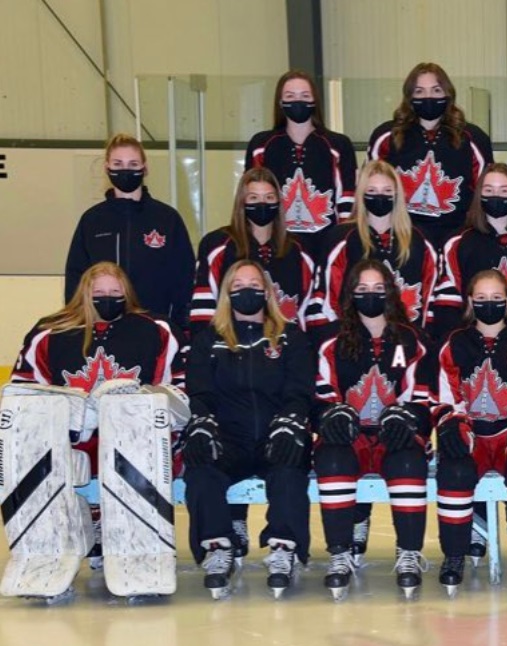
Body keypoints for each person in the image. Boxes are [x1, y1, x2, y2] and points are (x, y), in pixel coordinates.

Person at [11, 262, 181, 568]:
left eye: (115, 292)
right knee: (34, 452)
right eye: (98, 292)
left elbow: (175, 388)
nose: (107, 297)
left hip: (133, 434)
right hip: (74, 435)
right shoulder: (50, 332)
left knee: (137, 449)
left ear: (127, 293)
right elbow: (24, 390)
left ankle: (129, 532)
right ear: (83, 294)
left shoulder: (156, 329)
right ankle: (52, 544)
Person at [182, 259, 314, 599]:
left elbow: (300, 391)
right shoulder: (207, 340)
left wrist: (290, 423)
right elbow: (199, 392)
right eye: (238, 286)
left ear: (267, 292)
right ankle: (218, 547)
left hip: (275, 435)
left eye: (254, 284)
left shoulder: (290, 337)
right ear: (226, 293)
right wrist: (202, 424)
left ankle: (283, 548)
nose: (247, 292)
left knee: (289, 468)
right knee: (201, 468)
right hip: (231, 438)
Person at [313, 259, 433, 600]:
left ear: (391, 293)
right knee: (332, 459)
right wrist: (332, 415)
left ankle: (408, 553)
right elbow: (321, 391)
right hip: (350, 438)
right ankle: (340, 554)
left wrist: (406, 418)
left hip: (393, 436)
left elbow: (422, 396)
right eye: (362, 290)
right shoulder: (330, 340)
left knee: (409, 461)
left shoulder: (413, 340)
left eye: (378, 289)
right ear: (350, 295)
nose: (370, 296)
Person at [431, 270, 507, 594]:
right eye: (481, 299)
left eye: (496, 299)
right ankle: (454, 553)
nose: (489, 304)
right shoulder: (454, 344)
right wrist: (453, 424)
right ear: (470, 302)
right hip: (471, 435)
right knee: (454, 468)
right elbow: (444, 393)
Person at [64, 134, 194, 329]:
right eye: (118, 164)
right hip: (101, 328)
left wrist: (180, 328)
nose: (126, 170)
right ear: (107, 167)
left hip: (154, 328)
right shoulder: (92, 220)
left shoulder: (167, 219)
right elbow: (76, 278)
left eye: (133, 164)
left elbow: (185, 279)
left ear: (145, 168)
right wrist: (79, 324)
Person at [303, 161, 439, 342]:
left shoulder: (421, 239)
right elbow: (325, 298)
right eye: (372, 191)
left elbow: (430, 297)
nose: (380, 196)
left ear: (397, 194)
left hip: (407, 341)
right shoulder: (341, 238)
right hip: (354, 342)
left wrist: (422, 341)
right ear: (361, 194)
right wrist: (337, 342)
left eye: (387, 191)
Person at [367, 62, 495, 247]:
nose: (428, 97)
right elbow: (368, 189)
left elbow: (484, 192)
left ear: (448, 94)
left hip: (458, 237)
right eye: (419, 91)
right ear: (409, 96)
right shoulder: (386, 136)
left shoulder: (473, 138)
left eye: (436, 90)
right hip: (404, 239)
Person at [432, 163, 507, 345]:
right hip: (471, 343)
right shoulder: (458, 242)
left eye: (504, 190)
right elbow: (448, 304)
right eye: (488, 190)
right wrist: (461, 342)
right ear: (479, 195)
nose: (496, 196)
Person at [244, 70, 357, 257]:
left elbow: (348, 197)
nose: (298, 101)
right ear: (280, 102)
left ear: (315, 101)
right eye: (290, 96)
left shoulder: (338, 144)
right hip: (278, 246)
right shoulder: (261, 145)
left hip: (325, 244)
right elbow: (250, 196)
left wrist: (341, 241)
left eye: (305, 96)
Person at [190, 167, 317, 331]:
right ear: (242, 202)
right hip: (231, 345)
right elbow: (203, 308)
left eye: (269, 197)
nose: (262, 203)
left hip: (287, 346)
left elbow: (309, 307)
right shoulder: (216, 245)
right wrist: (204, 349)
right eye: (254, 197)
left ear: (278, 201)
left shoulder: (300, 249)